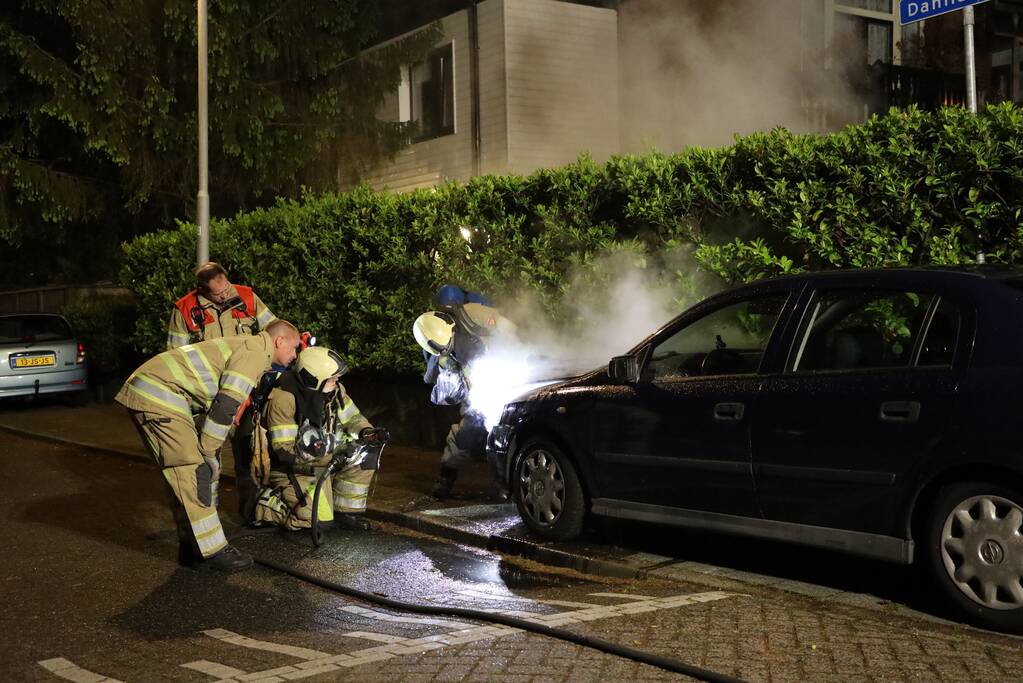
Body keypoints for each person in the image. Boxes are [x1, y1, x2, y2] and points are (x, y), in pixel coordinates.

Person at [116, 319, 302, 572]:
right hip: (160, 396)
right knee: (194, 470)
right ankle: (212, 551)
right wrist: (209, 451)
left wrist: (208, 451)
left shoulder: (249, 347)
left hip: (157, 393)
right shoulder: (255, 352)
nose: (294, 355)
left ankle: (193, 546)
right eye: (293, 348)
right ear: (279, 342)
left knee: (184, 474)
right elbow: (225, 406)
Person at [252, 346, 388, 531]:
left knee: (365, 452)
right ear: (313, 379)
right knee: (316, 521)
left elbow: (352, 418)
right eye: (332, 377)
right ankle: (265, 505)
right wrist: (332, 454)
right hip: (292, 469)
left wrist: (366, 432)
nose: (337, 380)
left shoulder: (334, 391)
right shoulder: (283, 400)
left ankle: (345, 512)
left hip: (322, 460)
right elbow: (285, 453)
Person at [414, 284, 505, 498]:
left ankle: (508, 485)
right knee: (465, 435)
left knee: (504, 437)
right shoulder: (438, 333)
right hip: (477, 392)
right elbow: (433, 374)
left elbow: (510, 333)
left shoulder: (479, 316)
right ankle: (446, 477)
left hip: (503, 384)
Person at [166, 261, 277, 349]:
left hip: (245, 368)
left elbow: (274, 329)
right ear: (203, 291)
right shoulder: (184, 309)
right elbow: (176, 352)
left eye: (226, 288)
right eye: (218, 294)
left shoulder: (247, 296)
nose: (224, 295)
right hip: (207, 374)